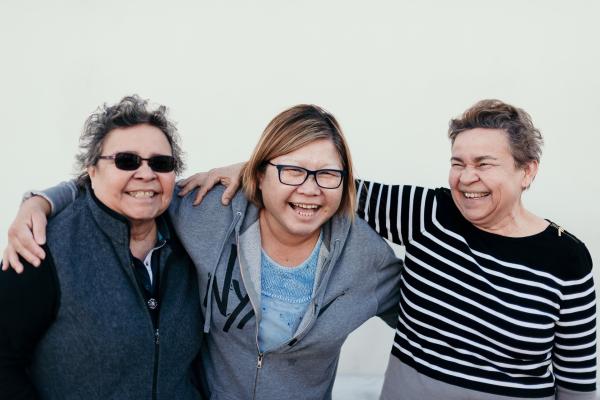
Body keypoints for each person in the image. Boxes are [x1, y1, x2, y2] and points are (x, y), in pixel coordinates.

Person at [122, 99, 598, 399]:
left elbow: (578, 381)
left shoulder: (567, 260)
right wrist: (47, 200)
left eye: (484, 163)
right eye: (457, 163)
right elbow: (130, 189)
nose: (466, 177)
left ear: (527, 171)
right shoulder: (428, 212)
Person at [3, 104, 402, 399]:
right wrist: (41, 200)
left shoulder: (366, 259)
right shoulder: (207, 214)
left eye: (327, 175)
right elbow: (136, 191)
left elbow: (426, 313)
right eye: (292, 170)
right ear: (260, 175)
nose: (310, 189)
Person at [0, 95, 203, 399]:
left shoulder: (193, 239)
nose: (146, 174)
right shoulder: (42, 248)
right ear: (91, 170)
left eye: (161, 164)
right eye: (126, 161)